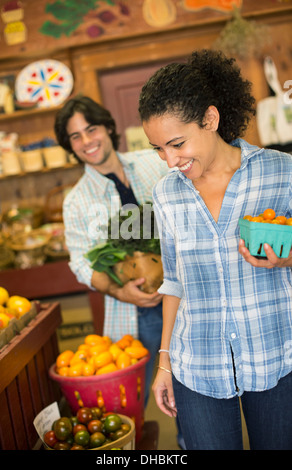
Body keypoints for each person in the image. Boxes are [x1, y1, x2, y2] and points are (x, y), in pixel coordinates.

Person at [138, 49, 292, 450]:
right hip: (198, 365)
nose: (169, 160)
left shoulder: (280, 172)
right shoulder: (166, 194)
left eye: (176, 143)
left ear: (210, 119)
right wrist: (164, 364)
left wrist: (288, 257)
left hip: (277, 355)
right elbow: (173, 283)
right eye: (158, 148)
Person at [54, 95, 168, 407]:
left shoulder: (152, 163)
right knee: (130, 405)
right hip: (134, 314)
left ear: (107, 127)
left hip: (182, 299)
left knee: (189, 394)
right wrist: (122, 292)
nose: (86, 141)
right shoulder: (76, 202)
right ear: (70, 145)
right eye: (75, 136)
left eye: (91, 129)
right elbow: (80, 264)